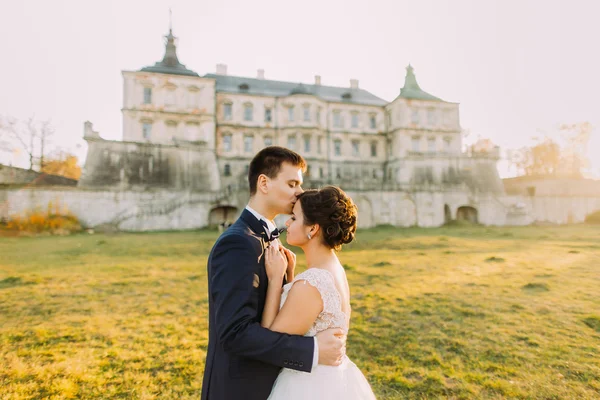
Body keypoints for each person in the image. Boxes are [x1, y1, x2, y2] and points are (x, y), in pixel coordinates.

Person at [201, 147, 346, 400]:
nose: (299, 192)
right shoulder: (237, 243)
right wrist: (312, 350)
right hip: (240, 388)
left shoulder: (273, 239)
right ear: (264, 183)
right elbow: (234, 334)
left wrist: (288, 279)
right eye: (292, 184)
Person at [263, 186, 377, 399]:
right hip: (337, 379)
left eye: (294, 218)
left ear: (313, 229)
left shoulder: (313, 283)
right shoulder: (334, 269)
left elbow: (270, 342)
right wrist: (290, 276)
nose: (287, 223)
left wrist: (274, 278)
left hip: (309, 385)